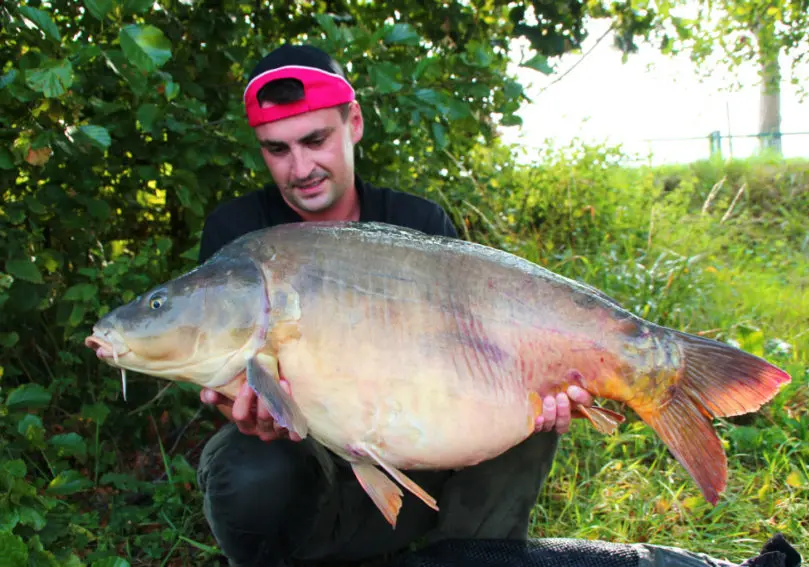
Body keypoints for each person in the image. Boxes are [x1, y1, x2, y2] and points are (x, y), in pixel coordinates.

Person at [195, 44, 595, 567]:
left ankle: (469, 555)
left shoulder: (419, 224)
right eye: (278, 149)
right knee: (247, 467)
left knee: (526, 411)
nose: (301, 167)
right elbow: (219, 382)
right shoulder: (239, 235)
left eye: (316, 140)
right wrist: (241, 409)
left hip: (421, 457)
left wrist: (541, 384)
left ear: (353, 122)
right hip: (311, 473)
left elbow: (477, 361)